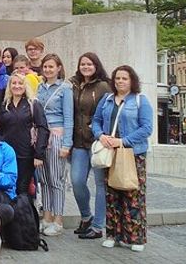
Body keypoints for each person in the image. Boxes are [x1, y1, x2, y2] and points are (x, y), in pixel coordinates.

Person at [92, 65, 153, 252]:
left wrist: (123, 141)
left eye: (124, 78)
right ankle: (112, 234)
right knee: (111, 195)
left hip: (133, 154)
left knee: (133, 196)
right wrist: (100, 135)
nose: (120, 81)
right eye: (117, 78)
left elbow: (146, 128)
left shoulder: (141, 101)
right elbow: (95, 120)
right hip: (110, 153)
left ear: (132, 80)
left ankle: (136, 237)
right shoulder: (107, 99)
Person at [69, 52, 111, 240]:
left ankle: (98, 225)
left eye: (89, 64)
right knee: (77, 182)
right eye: (82, 64)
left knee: (100, 185)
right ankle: (86, 216)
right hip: (78, 141)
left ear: (96, 66)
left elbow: (108, 113)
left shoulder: (103, 86)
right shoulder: (73, 85)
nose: (86, 67)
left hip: (97, 142)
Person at [35, 53, 73, 236]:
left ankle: (58, 219)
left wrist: (67, 144)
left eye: (52, 66)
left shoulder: (65, 89)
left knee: (56, 180)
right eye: (46, 66)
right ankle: (47, 215)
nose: (48, 70)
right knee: (44, 179)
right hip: (41, 136)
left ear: (58, 68)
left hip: (57, 136)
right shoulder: (40, 88)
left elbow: (69, 118)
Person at [0, 71, 49, 197]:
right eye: (13, 83)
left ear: (25, 85)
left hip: (26, 154)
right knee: (8, 187)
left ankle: (25, 215)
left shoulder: (33, 104)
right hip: (8, 154)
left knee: (22, 188)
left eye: (20, 83)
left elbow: (43, 128)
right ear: (9, 86)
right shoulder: (5, 105)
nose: (17, 86)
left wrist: (39, 154)